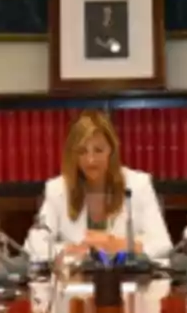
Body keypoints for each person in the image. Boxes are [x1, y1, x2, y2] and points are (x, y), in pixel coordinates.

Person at [27, 111, 171, 259]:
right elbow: (34, 246)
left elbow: (162, 244)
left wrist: (117, 244)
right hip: (75, 279)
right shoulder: (57, 189)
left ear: (111, 150)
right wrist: (72, 249)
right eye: (82, 151)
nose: (91, 160)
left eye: (98, 150)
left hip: (126, 278)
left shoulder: (138, 184)